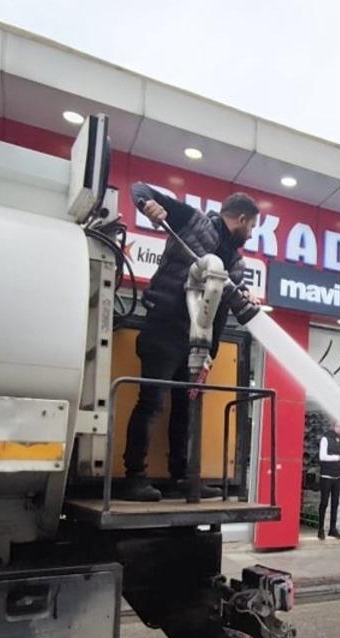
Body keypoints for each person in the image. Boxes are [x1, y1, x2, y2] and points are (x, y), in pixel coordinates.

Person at [121, 184, 259, 502]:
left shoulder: (236, 265)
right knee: (152, 402)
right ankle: (134, 478)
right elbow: (140, 188)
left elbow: (223, 308)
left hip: (194, 344)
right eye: (251, 226)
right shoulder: (193, 221)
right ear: (240, 218)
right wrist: (147, 205)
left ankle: (182, 478)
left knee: (186, 408)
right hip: (164, 328)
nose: (250, 235)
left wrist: (209, 352)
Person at [317, 422, 340, 540]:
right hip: (326, 476)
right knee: (324, 503)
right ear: (334, 426)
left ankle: (332, 529)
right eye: (339, 426)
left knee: (335, 503)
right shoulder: (325, 438)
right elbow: (322, 457)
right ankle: (320, 529)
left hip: (338, 476)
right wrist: (337, 458)